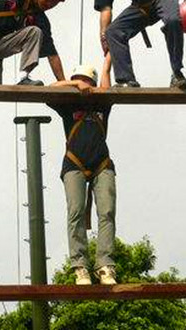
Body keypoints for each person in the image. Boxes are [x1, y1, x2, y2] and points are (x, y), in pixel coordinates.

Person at [47, 60, 117, 285]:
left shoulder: (101, 102)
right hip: (74, 163)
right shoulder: (68, 104)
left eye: (87, 81)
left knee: (106, 212)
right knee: (75, 211)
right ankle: (80, 266)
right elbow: (48, 89)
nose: (84, 85)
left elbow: (107, 78)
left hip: (101, 163)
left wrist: (108, 58)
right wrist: (73, 83)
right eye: (82, 81)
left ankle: (105, 265)